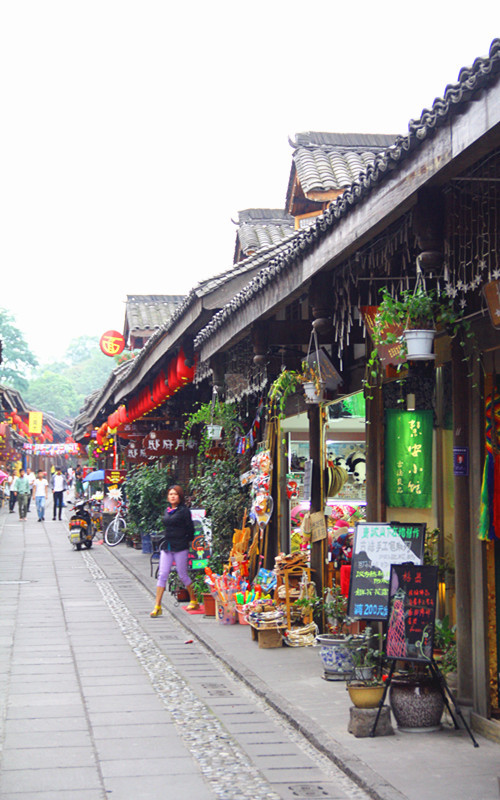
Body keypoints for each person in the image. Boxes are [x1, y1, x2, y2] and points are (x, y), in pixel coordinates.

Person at [150, 485, 197, 617]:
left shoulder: (184, 511)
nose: (172, 496)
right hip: (167, 546)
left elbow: (190, 530)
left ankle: (194, 599)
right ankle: (157, 606)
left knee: (182, 574)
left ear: (180, 496)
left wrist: (185, 540)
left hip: (180, 546)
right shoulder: (168, 510)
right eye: (170, 494)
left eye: (175, 494)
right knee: (162, 574)